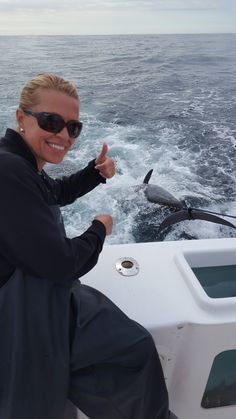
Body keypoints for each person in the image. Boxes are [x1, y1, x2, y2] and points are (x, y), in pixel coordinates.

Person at [0, 73, 176, 419]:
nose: (63, 135)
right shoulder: (7, 170)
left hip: (36, 290)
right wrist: (100, 228)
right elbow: (63, 263)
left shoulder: (20, 162)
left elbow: (52, 193)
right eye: (51, 121)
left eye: (73, 128)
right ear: (21, 118)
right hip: (20, 314)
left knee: (134, 347)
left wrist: (94, 174)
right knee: (131, 352)